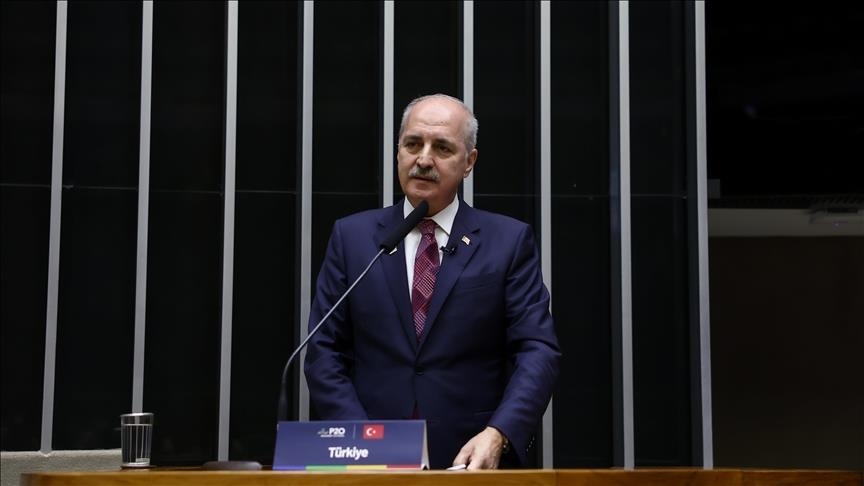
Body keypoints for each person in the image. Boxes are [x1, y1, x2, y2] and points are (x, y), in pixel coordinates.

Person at [304, 94, 560, 470]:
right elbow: (324, 351)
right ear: (398, 152)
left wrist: (499, 433)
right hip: (369, 463)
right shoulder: (353, 238)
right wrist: (363, 440)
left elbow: (537, 350)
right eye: (413, 144)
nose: (424, 160)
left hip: (471, 463)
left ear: (469, 162)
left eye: (442, 148)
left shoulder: (508, 241)